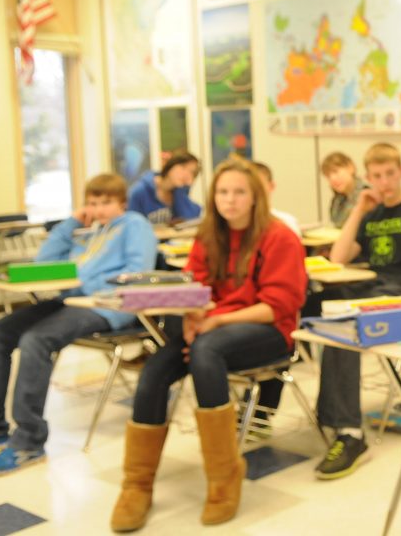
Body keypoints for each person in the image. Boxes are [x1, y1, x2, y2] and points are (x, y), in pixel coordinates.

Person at [110, 159, 306, 531]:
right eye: (222, 192)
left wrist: (214, 322)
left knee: (206, 352)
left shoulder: (280, 236)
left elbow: (277, 307)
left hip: (269, 331)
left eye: (239, 192)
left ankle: (223, 478)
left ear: (255, 198)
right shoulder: (208, 236)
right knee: (154, 371)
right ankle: (136, 485)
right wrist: (192, 319)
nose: (229, 200)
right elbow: (195, 291)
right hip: (211, 330)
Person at [0, 174, 156, 475]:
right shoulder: (90, 233)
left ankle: (29, 441)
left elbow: (136, 274)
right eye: (92, 203)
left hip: (109, 306)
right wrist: (69, 225)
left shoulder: (135, 225)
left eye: (105, 202)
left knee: (35, 339)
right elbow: (45, 263)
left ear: (122, 203)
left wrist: (82, 282)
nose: (99, 209)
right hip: (74, 301)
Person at [313, 143, 401, 480]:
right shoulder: (371, 214)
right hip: (372, 289)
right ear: (367, 178)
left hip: (400, 292)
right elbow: (338, 259)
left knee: (347, 325)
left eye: (389, 174)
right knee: (328, 313)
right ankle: (334, 417)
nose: (384, 182)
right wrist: (359, 210)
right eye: (376, 176)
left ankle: (350, 433)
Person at [127, 152, 202, 225]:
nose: (186, 174)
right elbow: (131, 225)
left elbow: (192, 218)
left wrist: (186, 188)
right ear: (171, 165)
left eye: (192, 172)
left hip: (173, 237)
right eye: (183, 167)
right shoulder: (140, 191)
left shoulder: (178, 191)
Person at [253, 161, 301, 237]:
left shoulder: (286, 222)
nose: (253, 191)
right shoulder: (232, 224)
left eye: (259, 186)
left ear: (271, 186)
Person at [321, 152, 368, 229]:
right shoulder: (338, 198)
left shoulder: (366, 193)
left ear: (350, 167)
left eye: (335, 171)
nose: (333, 179)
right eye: (328, 176)